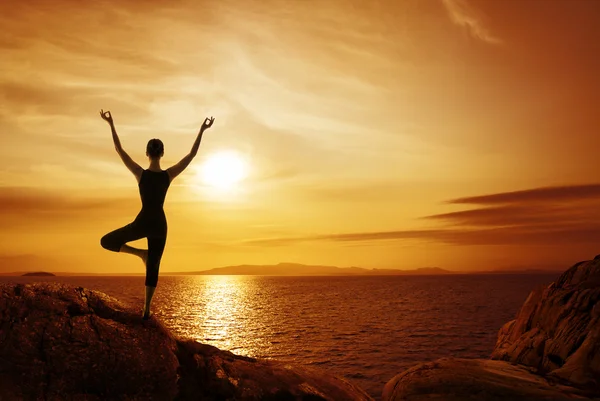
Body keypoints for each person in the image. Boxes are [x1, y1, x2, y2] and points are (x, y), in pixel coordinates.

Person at [99, 109, 215, 319]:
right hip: (159, 225)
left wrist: (111, 123)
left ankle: (139, 255)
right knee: (154, 267)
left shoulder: (139, 173)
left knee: (106, 241)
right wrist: (202, 129)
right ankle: (146, 309)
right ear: (162, 153)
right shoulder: (168, 175)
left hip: (143, 222)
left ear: (147, 153)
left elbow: (119, 150)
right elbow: (191, 155)